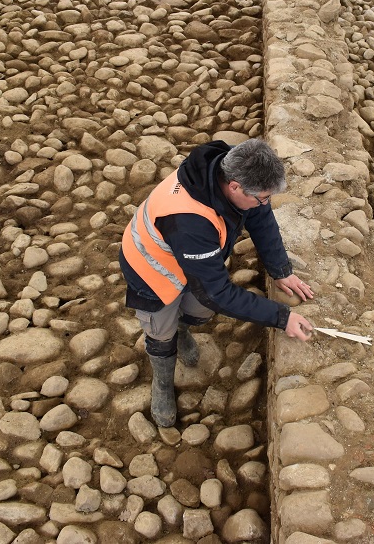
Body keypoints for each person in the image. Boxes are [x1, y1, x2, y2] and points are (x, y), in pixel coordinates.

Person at [119, 138, 315, 427]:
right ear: (235, 187)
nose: (264, 203)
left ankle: (182, 330)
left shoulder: (233, 169)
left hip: (193, 260)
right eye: (261, 197)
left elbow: (260, 218)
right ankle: (162, 382)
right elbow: (218, 293)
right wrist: (281, 317)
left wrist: (280, 270)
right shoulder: (189, 221)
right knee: (160, 329)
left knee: (199, 309)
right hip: (152, 270)